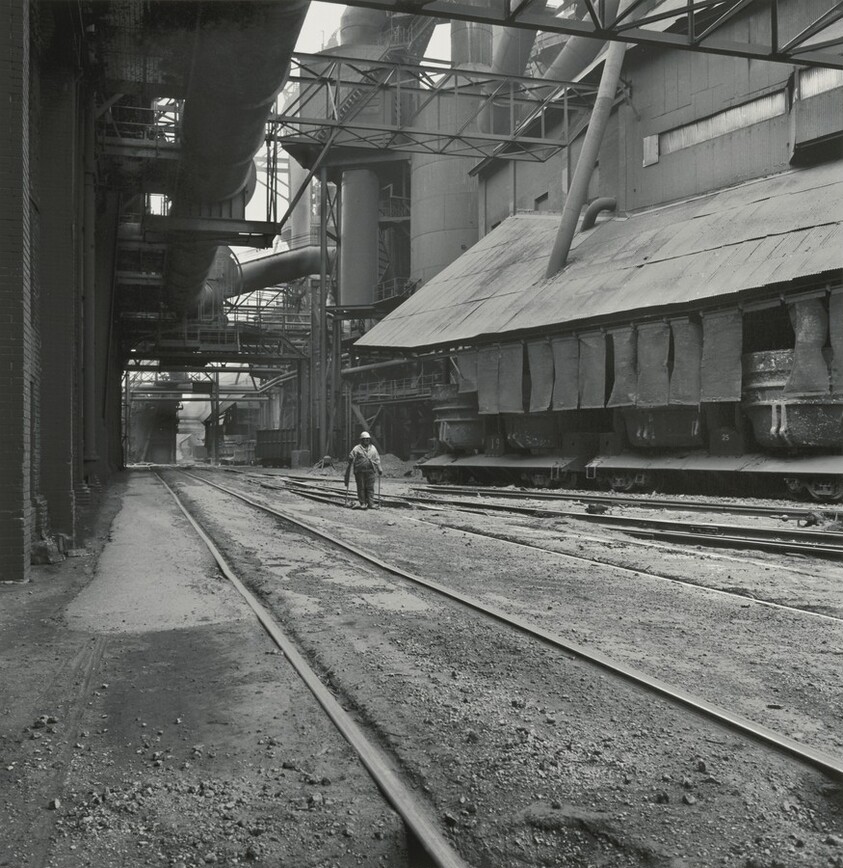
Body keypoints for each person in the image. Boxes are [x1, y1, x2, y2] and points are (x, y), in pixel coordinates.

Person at [344, 431, 382, 509]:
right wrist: (350, 458)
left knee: (370, 488)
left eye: (368, 439)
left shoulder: (373, 448)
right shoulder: (357, 448)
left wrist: (379, 468)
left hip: (370, 471)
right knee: (361, 487)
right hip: (359, 471)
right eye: (365, 439)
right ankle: (363, 503)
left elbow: (377, 459)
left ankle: (371, 504)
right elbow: (351, 455)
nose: (367, 440)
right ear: (361, 440)